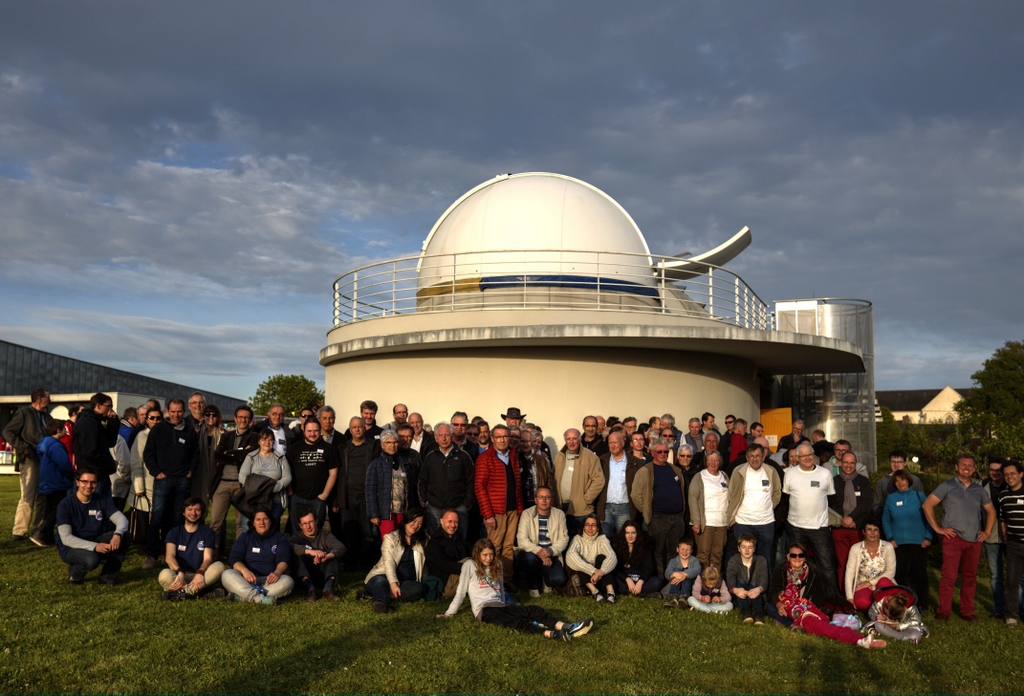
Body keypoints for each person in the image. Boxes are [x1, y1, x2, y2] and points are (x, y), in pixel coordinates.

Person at [439, 538, 594, 642]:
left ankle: (566, 626)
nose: (488, 558)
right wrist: (448, 613)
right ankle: (552, 634)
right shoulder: (469, 565)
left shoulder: (497, 564)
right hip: (484, 609)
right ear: (477, 554)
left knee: (533, 610)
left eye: (491, 554)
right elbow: (461, 592)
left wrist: (508, 605)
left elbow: (500, 589)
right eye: (485, 555)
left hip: (500, 604)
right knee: (514, 621)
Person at [922, 454, 997, 622]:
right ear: (956, 467)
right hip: (953, 538)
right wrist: (937, 528)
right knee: (949, 577)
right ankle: (943, 611)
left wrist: (987, 531)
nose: (967, 468)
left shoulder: (979, 489)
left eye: (970, 465)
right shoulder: (947, 486)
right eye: (963, 464)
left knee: (970, 577)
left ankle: (967, 611)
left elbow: (991, 511)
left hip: (974, 540)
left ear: (974, 468)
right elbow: (927, 505)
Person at [772, 541, 886, 649]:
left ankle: (864, 640)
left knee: (831, 629)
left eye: (800, 555)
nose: (797, 558)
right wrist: (778, 604)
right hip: (800, 616)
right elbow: (773, 592)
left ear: (805, 557)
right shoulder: (780, 571)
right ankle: (860, 641)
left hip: (808, 610)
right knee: (831, 630)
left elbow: (820, 594)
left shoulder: (813, 571)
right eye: (793, 555)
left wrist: (808, 606)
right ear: (788, 557)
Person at [143, 398, 200, 570]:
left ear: (184, 412)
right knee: (157, 517)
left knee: (177, 518)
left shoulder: (189, 431)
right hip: (163, 479)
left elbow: (195, 453)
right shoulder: (158, 429)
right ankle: (152, 555)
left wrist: (190, 470)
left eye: (179, 411)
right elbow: (148, 454)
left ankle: (172, 554)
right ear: (167, 411)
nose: (176, 415)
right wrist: (156, 472)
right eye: (173, 411)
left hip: (182, 479)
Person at [56, 467, 132, 585]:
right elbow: (66, 538)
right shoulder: (65, 505)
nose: (89, 486)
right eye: (85, 482)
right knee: (91, 560)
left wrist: (118, 534)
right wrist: (95, 546)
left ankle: (107, 578)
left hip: (95, 539)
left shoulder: (102, 499)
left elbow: (121, 519)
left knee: (125, 536)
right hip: (71, 546)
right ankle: (75, 574)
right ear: (77, 482)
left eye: (93, 482)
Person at [782, 442, 839, 597]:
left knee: (826, 565)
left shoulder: (825, 474)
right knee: (795, 564)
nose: (807, 458)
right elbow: (786, 498)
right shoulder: (790, 474)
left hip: (819, 527)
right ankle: (795, 597)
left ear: (814, 456)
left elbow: (831, 498)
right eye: (803, 456)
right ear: (797, 458)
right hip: (795, 526)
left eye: (810, 455)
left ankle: (831, 599)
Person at [474, 424, 523, 586]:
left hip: (512, 510)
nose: (502, 440)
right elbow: (479, 487)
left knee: (508, 546)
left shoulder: (513, 455)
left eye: (505, 436)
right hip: (495, 511)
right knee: (494, 547)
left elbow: (517, 484)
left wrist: (519, 508)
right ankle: (491, 580)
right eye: (498, 437)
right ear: (492, 439)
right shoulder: (485, 458)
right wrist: (488, 514)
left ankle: (507, 580)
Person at [631, 439, 688, 577]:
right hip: (658, 518)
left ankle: (672, 579)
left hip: (677, 518)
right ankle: (659, 579)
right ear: (652, 452)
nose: (663, 454)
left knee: (674, 551)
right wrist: (648, 511)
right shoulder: (645, 471)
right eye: (659, 451)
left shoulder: (675, 470)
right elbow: (636, 495)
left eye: (666, 451)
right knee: (657, 550)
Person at [210, 405, 260, 553]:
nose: (243, 420)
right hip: (223, 482)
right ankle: (212, 554)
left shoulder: (254, 436)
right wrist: (239, 453)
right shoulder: (226, 436)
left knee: (241, 523)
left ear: (250, 420)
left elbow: (250, 455)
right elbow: (217, 455)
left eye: (246, 417)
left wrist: (229, 453)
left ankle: (238, 555)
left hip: (241, 484)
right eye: (240, 417)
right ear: (235, 418)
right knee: (215, 521)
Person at [882, 469, 932, 612]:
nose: (900, 483)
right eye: (897, 481)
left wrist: (928, 536)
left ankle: (922, 604)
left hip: (919, 542)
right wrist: (890, 538)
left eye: (902, 479)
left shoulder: (919, 496)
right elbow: (886, 520)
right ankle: (903, 602)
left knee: (919, 574)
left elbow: (930, 517)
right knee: (900, 574)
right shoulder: (891, 499)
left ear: (908, 480)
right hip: (898, 544)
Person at [335, 415, 380, 571]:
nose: (357, 429)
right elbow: (337, 475)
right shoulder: (343, 449)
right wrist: (337, 500)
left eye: (360, 427)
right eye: (354, 427)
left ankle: (366, 562)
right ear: (350, 430)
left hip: (367, 496)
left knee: (367, 531)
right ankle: (351, 562)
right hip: (348, 496)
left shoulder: (374, 447)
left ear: (364, 428)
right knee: (348, 530)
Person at [221, 507, 294, 605]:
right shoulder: (245, 537)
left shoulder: (279, 538)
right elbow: (234, 559)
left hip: (269, 581)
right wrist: (245, 571)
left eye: (265, 519)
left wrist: (277, 573)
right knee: (227, 574)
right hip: (245, 579)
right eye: (258, 519)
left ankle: (242, 596)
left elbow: (284, 559)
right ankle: (261, 599)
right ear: (253, 523)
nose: (262, 522)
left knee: (288, 581)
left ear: (270, 521)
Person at [363, 508, 429, 613]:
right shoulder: (390, 538)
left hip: (405, 582)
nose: (416, 525)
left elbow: (425, 564)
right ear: (406, 520)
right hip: (383, 575)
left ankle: (376, 594)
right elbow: (389, 563)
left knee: (419, 588)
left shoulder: (423, 541)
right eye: (413, 521)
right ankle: (381, 603)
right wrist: (393, 584)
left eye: (420, 523)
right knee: (380, 582)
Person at [158, 497, 225, 600]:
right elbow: (169, 557)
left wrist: (200, 573)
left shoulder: (207, 532)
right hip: (179, 574)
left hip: (199, 574)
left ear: (202, 513)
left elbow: (208, 559)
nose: (193, 513)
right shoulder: (174, 532)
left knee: (219, 566)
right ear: (184, 512)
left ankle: (182, 594)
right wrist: (180, 572)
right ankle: (199, 593)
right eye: (189, 509)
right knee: (164, 575)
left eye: (197, 510)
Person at [727, 443, 780, 570]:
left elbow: (777, 493)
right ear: (747, 457)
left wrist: (766, 507)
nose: (754, 459)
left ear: (763, 457)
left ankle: (763, 583)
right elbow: (731, 493)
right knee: (744, 559)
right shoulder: (738, 471)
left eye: (757, 456)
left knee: (764, 558)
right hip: (743, 522)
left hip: (765, 523)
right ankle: (744, 582)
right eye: (751, 456)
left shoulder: (771, 471)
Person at [418, 422, 474, 537]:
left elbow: (471, 481)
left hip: (458, 507)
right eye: (440, 435)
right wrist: (425, 502)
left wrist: (466, 504)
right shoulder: (430, 457)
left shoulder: (463, 456)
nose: (444, 438)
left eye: (447, 435)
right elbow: (422, 481)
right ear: (436, 438)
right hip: (434, 507)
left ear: (452, 436)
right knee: (436, 540)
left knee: (459, 540)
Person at [286, 418, 339, 530]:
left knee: (316, 531)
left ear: (320, 431)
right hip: (297, 497)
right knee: (297, 531)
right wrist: (290, 493)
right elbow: (287, 471)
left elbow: (333, 473)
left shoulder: (329, 449)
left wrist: (324, 495)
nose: (312, 434)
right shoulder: (294, 448)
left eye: (315, 431)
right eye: (309, 431)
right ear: (304, 431)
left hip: (318, 498)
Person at [517, 487, 570, 597]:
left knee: (559, 579)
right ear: (535, 499)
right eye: (541, 497)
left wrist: (550, 551)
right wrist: (540, 551)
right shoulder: (527, 514)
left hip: (552, 553)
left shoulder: (559, 514)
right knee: (528, 559)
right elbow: (522, 540)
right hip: (532, 552)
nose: (544, 500)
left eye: (547, 497)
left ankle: (545, 580)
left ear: (551, 499)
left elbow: (564, 539)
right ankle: (533, 586)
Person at [829, 451, 873, 584]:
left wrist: (853, 519)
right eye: (846, 462)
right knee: (842, 563)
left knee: (859, 562)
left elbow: (866, 504)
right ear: (841, 463)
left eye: (852, 463)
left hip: (857, 528)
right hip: (839, 529)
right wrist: (842, 520)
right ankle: (844, 592)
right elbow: (830, 504)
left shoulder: (863, 481)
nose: (849, 466)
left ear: (856, 464)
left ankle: (858, 591)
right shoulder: (833, 481)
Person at [366, 429, 418, 538]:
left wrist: (413, 511)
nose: (392, 445)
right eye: (388, 442)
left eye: (395, 442)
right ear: (382, 445)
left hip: (403, 511)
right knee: (389, 541)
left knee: (403, 540)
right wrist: (373, 514)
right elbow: (370, 491)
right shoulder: (376, 465)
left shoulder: (404, 463)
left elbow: (410, 488)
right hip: (386, 512)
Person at [553, 428, 605, 535]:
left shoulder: (590, 456)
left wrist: (586, 499)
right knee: (563, 538)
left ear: (580, 439)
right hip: (561, 506)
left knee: (581, 539)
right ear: (565, 440)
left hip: (581, 509)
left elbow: (599, 480)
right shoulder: (559, 456)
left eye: (574, 438)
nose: (571, 442)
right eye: (568, 439)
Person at [289, 505, 346, 602]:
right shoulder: (298, 536)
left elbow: (341, 547)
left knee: (332, 555)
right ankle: (311, 590)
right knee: (296, 555)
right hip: (304, 575)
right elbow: (289, 545)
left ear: (316, 521)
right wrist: (310, 551)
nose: (308, 526)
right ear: (300, 526)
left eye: (310, 522)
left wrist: (327, 556)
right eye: (304, 524)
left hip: (323, 573)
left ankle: (328, 589)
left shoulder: (325, 535)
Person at [33, 419, 74, 547]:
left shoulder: (44, 444)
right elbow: (63, 463)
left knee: (49, 509)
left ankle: (47, 537)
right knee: (57, 509)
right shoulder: (55, 446)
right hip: (57, 481)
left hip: (47, 481)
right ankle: (41, 533)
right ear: (58, 430)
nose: (65, 431)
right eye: (64, 429)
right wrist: (72, 475)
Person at [239, 429, 292, 529]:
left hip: (275, 501)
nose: (267, 442)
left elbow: (287, 477)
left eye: (270, 440)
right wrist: (261, 488)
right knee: (249, 529)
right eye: (264, 439)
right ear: (259, 441)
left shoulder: (281, 458)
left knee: (271, 530)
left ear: (274, 442)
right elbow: (242, 477)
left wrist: (272, 488)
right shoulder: (251, 457)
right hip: (253, 500)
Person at [689, 450, 730, 571]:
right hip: (705, 522)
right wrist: (696, 521)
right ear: (706, 462)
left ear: (720, 462)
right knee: (703, 554)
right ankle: (702, 580)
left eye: (716, 460)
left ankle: (714, 580)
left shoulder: (724, 476)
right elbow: (693, 499)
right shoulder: (699, 477)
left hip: (722, 523)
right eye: (710, 460)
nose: (713, 462)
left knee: (718, 554)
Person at [74, 393, 121, 498]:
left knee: (104, 505)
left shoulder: (96, 421)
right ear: (98, 406)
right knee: (94, 504)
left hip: (100, 472)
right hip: (92, 474)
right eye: (108, 406)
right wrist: (110, 463)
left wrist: (112, 421)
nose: (110, 409)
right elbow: (90, 452)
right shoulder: (89, 422)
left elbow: (110, 442)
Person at [844, 521, 896, 611]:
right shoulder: (856, 548)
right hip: (862, 586)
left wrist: (870, 583)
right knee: (861, 602)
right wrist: (849, 598)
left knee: (884, 581)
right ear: (864, 532)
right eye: (869, 529)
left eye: (875, 530)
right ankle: (883, 607)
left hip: (882, 584)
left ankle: (884, 605)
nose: (872, 533)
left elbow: (891, 572)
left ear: (879, 533)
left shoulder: (888, 547)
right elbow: (849, 574)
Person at [597, 431, 642, 536]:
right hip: (606, 507)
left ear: (622, 443)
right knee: (604, 539)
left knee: (623, 538)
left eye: (615, 442)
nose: (613, 445)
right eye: (610, 443)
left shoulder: (635, 462)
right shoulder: (602, 460)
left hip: (625, 507)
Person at [566, 514, 617, 603]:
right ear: (583, 527)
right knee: (579, 563)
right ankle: (595, 592)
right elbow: (570, 555)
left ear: (598, 528)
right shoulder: (577, 539)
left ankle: (610, 592)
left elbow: (612, 556)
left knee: (602, 558)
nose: (590, 528)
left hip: (600, 576)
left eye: (593, 525)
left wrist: (600, 572)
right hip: (586, 576)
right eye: (587, 525)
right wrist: (593, 570)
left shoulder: (602, 539)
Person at [997, 460, 1024, 629]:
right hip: (1013, 545)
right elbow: (1003, 519)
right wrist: (1006, 536)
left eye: (1012, 473)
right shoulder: (1003, 496)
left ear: (1021, 474)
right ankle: (1011, 615)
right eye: (1006, 474)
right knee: (1012, 581)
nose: (1009, 477)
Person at [981, 459, 1007, 619]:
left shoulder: (1011, 485)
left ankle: (1018, 607)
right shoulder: (982, 486)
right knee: (995, 575)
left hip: (1010, 536)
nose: (995, 473)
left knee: (1017, 575)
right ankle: (999, 608)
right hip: (990, 536)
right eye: (992, 470)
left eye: (998, 470)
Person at [426, 508, 472, 598]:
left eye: (456, 522)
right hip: (445, 583)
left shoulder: (458, 537)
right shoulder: (434, 543)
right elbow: (445, 565)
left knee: (480, 557)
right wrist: (469, 567)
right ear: (441, 521)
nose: (453, 525)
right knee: (470, 562)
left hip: (457, 575)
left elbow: (473, 549)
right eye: (450, 521)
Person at [611, 521, 664, 597]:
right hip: (624, 578)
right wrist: (627, 579)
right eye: (627, 533)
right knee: (612, 580)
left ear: (637, 534)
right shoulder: (618, 547)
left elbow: (648, 568)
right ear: (624, 534)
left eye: (633, 533)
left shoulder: (644, 547)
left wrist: (640, 582)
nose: (630, 536)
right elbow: (616, 569)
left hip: (639, 577)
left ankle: (631, 592)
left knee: (657, 582)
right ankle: (643, 594)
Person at [726, 533, 769, 624]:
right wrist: (735, 590)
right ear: (739, 548)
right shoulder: (734, 560)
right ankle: (746, 612)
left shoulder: (761, 560)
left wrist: (758, 589)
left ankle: (758, 614)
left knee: (753, 585)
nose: (746, 550)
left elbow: (764, 580)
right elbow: (730, 578)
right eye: (743, 547)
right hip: (740, 595)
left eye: (750, 547)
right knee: (741, 582)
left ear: (754, 549)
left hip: (757, 595)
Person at [865, 584, 929, 644]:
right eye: (888, 615)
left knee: (916, 634)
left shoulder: (911, 607)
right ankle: (905, 639)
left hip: (905, 628)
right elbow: (871, 612)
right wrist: (876, 617)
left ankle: (894, 636)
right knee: (878, 625)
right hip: (886, 626)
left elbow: (916, 622)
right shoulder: (879, 602)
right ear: (886, 604)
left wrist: (898, 626)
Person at [872, 449, 924, 519]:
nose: (896, 465)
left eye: (899, 462)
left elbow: (922, 502)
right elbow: (876, 504)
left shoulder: (915, 480)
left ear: (905, 463)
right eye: (893, 462)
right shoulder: (882, 482)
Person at [193, 404, 222, 508]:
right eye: (208, 414)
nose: (211, 417)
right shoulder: (196, 432)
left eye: (214, 415)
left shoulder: (223, 433)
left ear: (218, 417)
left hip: (217, 472)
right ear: (203, 416)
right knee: (197, 502)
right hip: (199, 472)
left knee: (218, 506)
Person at [662, 538, 701, 607]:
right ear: (677, 549)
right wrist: (674, 574)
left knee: (687, 575)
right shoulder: (673, 561)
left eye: (687, 550)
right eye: (682, 549)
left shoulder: (694, 560)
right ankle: (673, 597)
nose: (685, 552)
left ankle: (684, 597)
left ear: (691, 551)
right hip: (675, 585)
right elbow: (667, 572)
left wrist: (684, 574)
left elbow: (697, 569)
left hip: (689, 585)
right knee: (677, 571)